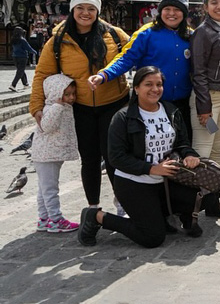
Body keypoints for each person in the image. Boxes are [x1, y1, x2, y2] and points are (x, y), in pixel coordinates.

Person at [78, 66, 204, 248]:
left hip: (166, 181)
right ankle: (96, 216)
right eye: (148, 84)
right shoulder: (122, 118)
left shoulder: (171, 110)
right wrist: (152, 169)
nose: (155, 89)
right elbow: (116, 157)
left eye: (159, 84)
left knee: (203, 196)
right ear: (136, 88)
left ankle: (164, 217)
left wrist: (190, 154)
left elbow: (182, 142)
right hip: (134, 183)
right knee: (152, 238)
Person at [30, 0, 130, 210]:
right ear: (72, 9)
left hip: (114, 105)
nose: (86, 13)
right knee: (90, 160)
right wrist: (36, 106)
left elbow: (135, 54)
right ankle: (93, 209)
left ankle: (122, 206)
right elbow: (42, 73)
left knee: (115, 158)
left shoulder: (114, 35)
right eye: (80, 8)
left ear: (98, 11)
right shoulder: (58, 40)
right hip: (81, 108)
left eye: (91, 8)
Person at [89, 0, 193, 141]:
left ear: (184, 13)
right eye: (167, 9)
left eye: (177, 9)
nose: (171, 13)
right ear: (160, 11)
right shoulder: (146, 33)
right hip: (151, 103)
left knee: (182, 144)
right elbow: (126, 58)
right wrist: (104, 75)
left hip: (182, 104)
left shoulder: (191, 35)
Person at [189, 0, 220, 219]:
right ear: (205, 7)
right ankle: (191, 208)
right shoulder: (203, 32)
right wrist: (204, 107)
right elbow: (198, 72)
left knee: (217, 152)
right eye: (214, 2)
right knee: (202, 154)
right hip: (209, 99)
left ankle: (212, 202)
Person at [30, 73, 80, 233]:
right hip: (47, 156)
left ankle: (44, 219)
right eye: (67, 94)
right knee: (50, 189)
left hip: (48, 155)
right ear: (55, 93)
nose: (71, 98)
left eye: (73, 94)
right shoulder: (52, 108)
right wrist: (57, 106)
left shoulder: (61, 107)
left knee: (44, 189)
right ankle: (56, 220)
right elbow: (47, 126)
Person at [10, 26, 37, 92]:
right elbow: (28, 48)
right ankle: (13, 85)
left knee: (21, 70)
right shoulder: (22, 40)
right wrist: (35, 52)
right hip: (22, 57)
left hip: (15, 56)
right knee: (20, 71)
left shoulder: (13, 39)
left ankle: (25, 84)